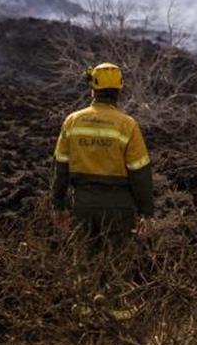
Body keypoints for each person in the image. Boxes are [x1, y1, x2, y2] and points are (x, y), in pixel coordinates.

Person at [51, 62, 154, 244]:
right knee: (117, 266)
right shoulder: (127, 125)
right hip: (119, 208)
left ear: (93, 88)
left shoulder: (72, 121)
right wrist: (147, 213)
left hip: (82, 206)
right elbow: (140, 173)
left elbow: (61, 168)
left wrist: (58, 205)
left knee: (84, 265)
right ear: (119, 89)